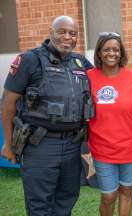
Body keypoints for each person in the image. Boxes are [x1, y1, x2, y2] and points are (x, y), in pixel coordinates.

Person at [1, 16, 93, 215]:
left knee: (67, 198)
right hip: (40, 145)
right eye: (61, 32)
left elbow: (106, 80)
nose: (67, 37)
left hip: (72, 144)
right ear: (51, 32)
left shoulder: (80, 62)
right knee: (39, 204)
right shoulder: (29, 60)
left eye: (73, 33)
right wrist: (9, 145)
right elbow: (7, 104)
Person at [87, 32, 132, 216]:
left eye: (116, 49)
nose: (111, 53)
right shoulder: (88, 77)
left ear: (121, 53)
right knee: (109, 195)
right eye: (106, 50)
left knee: (127, 191)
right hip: (102, 148)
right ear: (99, 53)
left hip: (131, 148)